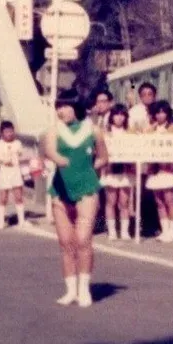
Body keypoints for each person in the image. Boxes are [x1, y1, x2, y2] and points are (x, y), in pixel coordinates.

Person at [46, 90, 108, 308]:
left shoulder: (94, 130)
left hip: (87, 189)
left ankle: (84, 289)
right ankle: (70, 290)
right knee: (66, 243)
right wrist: (58, 159)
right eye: (58, 107)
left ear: (76, 106)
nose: (60, 111)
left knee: (83, 239)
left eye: (64, 106)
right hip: (60, 190)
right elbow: (49, 150)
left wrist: (90, 170)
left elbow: (103, 158)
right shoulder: (54, 130)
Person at [145, 100, 173, 243]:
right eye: (157, 112)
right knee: (159, 202)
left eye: (163, 112)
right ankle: (165, 230)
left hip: (168, 169)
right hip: (154, 169)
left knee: (169, 200)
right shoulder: (151, 129)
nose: (160, 115)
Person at [101, 105, 136, 240]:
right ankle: (112, 231)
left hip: (125, 170)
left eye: (122, 115)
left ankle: (125, 231)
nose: (119, 117)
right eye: (117, 114)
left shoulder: (130, 133)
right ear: (112, 117)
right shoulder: (106, 133)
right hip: (110, 170)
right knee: (111, 201)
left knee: (124, 202)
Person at [0, 121, 28, 229]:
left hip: (16, 172)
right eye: (7, 132)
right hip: (4, 172)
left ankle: (21, 221)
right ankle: (1, 221)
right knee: (3, 197)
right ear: (1, 133)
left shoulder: (18, 143)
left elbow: (22, 156)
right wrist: (2, 159)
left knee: (19, 196)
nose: (9, 134)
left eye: (11, 131)